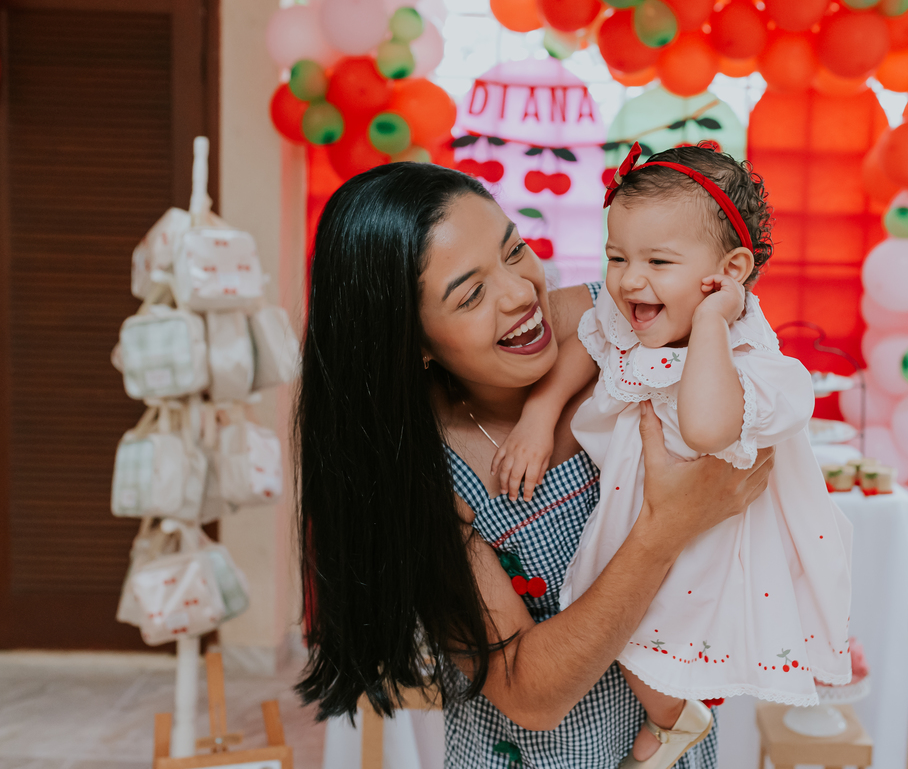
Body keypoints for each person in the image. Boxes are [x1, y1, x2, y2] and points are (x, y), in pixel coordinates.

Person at [294, 161, 776, 769]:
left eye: (514, 250)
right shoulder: (420, 479)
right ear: (411, 340)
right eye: (471, 294)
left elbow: (744, 380)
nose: (522, 293)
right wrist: (666, 527)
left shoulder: (626, 322)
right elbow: (530, 695)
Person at [491, 143, 854, 769]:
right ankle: (677, 719)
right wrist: (538, 417)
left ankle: (674, 720)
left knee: (662, 637)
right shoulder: (627, 319)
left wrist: (712, 322)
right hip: (636, 513)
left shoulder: (745, 358)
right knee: (614, 622)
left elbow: (707, 428)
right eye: (617, 257)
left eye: (658, 261)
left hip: (709, 539)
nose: (630, 280)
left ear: (730, 272)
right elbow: (586, 345)